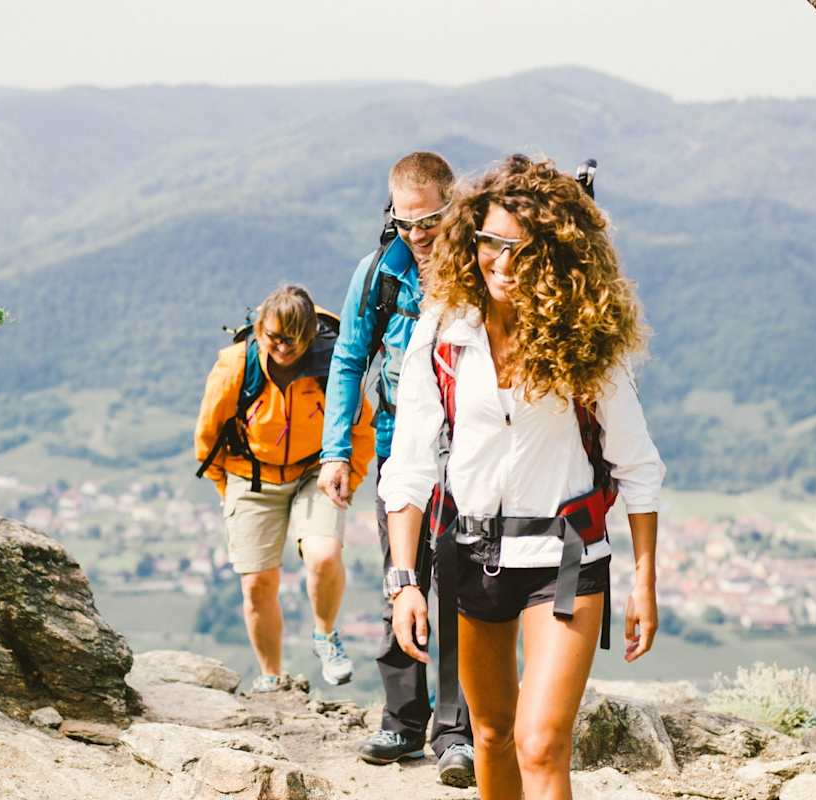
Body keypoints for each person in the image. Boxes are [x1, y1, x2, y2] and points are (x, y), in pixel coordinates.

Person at [380, 155, 665, 799]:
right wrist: (403, 582)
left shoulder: (584, 339)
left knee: (541, 745)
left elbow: (637, 466)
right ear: (470, 241)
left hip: (567, 559)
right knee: (490, 737)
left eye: (523, 250)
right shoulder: (442, 335)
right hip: (473, 557)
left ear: (556, 255)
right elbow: (410, 468)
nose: (503, 264)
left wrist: (644, 583)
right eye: (491, 244)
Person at [317, 152, 475, 788]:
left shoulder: (480, 267)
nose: (417, 234)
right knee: (402, 581)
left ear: (453, 204)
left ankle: (458, 733)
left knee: (464, 590)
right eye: (404, 222)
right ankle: (404, 719)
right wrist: (335, 450)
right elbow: (349, 358)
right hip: (396, 450)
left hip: (471, 458)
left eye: (430, 220)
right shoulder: (379, 273)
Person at [195, 284, 374, 691]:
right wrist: (229, 490)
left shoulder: (333, 364)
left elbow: (360, 429)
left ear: (310, 334)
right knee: (257, 583)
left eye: (292, 340)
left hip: (316, 469)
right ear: (260, 329)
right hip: (250, 472)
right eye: (273, 337)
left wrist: (352, 475)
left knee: (325, 554)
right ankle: (271, 678)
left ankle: (325, 635)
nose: (282, 348)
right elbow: (207, 436)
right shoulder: (236, 365)